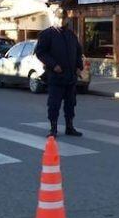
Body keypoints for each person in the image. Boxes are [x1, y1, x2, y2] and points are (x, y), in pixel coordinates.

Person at [34, 8, 85, 137]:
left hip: (70, 77)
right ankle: (53, 129)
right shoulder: (47, 34)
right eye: (59, 18)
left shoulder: (71, 35)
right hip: (55, 77)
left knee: (70, 104)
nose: (62, 20)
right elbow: (40, 53)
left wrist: (79, 66)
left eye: (64, 18)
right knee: (54, 104)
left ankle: (69, 127)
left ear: (67, 19)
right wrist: (53, 65)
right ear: (54, 18)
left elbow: (78, 52)